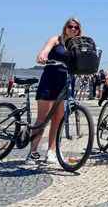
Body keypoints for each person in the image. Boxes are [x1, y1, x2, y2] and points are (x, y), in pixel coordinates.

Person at [25, 17, 82, 165]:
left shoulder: (77, 45)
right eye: (71, 26)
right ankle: (33, 151)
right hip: (50, 78)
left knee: (57, 120)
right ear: (65, 27)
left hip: (66, 82)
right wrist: (42, 56)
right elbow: (44, 51)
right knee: (42, 119)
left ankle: (51, 151)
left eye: (76, 27)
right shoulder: (55, 40)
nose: (73, 29)